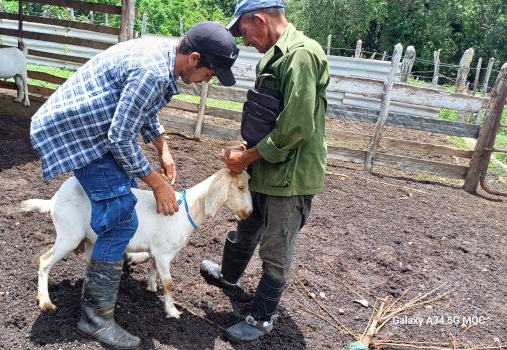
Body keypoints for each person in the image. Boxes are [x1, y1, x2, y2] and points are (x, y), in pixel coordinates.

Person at [30, 22, 239, 349]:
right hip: (80, 134)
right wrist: (157, 184)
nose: (206, 82)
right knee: (121, 216)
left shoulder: (166, 56)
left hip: (96, 128)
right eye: (209, 74)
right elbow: (119, 137)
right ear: (195, 58)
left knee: (123, 194)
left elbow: (140, 108)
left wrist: (162, 146)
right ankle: (94, 318)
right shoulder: (153, 73)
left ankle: (105, 264)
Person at [199, 0, 330, 343]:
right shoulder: (274, 56)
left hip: (291, 176)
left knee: (275, 247)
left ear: (258, 19)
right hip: (266, 167)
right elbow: (270, 117)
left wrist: (247, 158)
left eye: (243, 31)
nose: (243, 40)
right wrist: (247, 150)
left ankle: (261, 320)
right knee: (247, 224)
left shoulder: (301, 54)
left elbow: (297, 127)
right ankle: (228, 277)